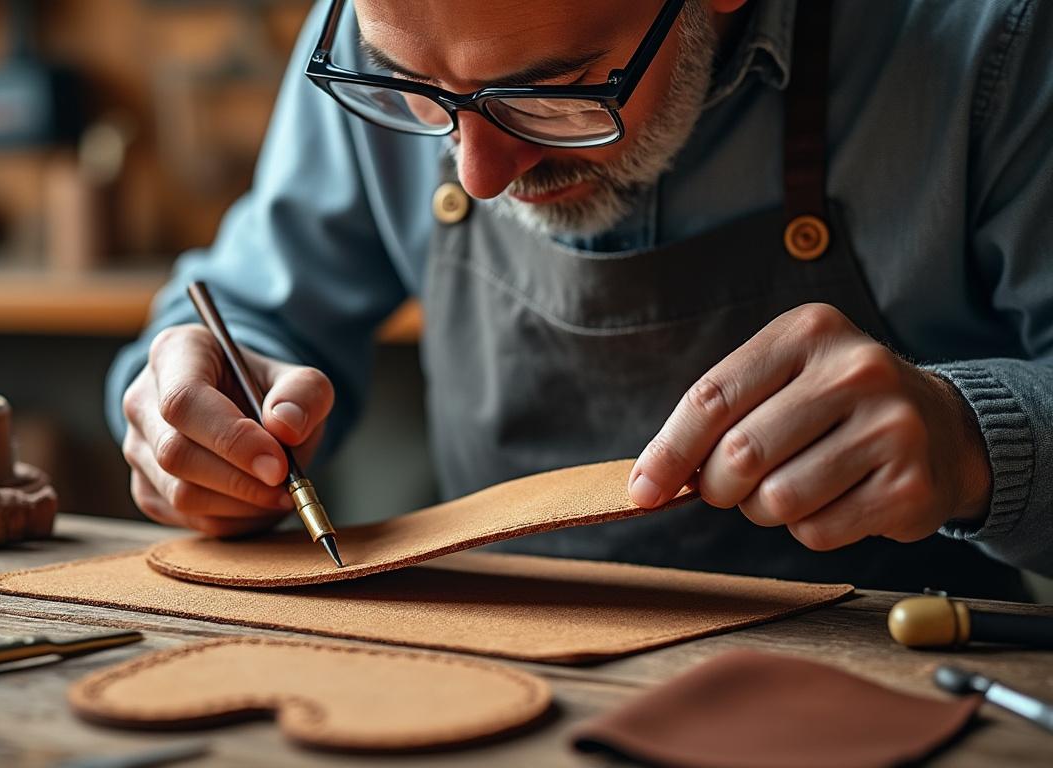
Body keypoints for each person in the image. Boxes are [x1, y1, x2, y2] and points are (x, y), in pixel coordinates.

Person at [108, 0, 1053, 599]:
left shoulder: (995, 45)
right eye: (417, 91)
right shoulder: (377, 40)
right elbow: (240, 317)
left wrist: (973, 440)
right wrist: (188, 418)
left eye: (548, 95)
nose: (478, 173)